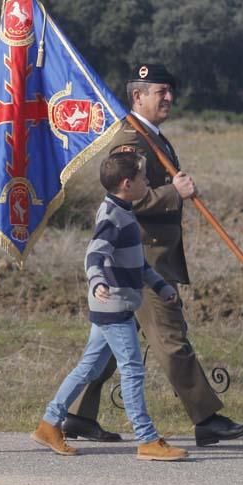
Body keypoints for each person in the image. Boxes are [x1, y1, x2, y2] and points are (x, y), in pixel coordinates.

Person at [63, 63, 243, 448]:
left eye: (169, 91)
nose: (168, 98)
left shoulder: (155, 139)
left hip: (146, 260)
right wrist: (174, 193)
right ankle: (206, 418)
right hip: (142, 262)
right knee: (171, 339)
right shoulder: (132, 142)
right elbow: (126, 198)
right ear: (138, 97)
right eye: (159, 91)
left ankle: (77, 415)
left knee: (108, 346)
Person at [33, 152, 189, 461]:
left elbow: (137, 262)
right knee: (132, 369)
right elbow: (94, 254)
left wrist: (161, 286)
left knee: (89, 367)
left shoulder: (123, 210)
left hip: (116, 304)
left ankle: (49, 424)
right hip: (113, 305)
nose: (148, 182)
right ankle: (146, 439)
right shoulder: (111, 216)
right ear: (127, 183)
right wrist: (97, 281)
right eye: (144, 178)